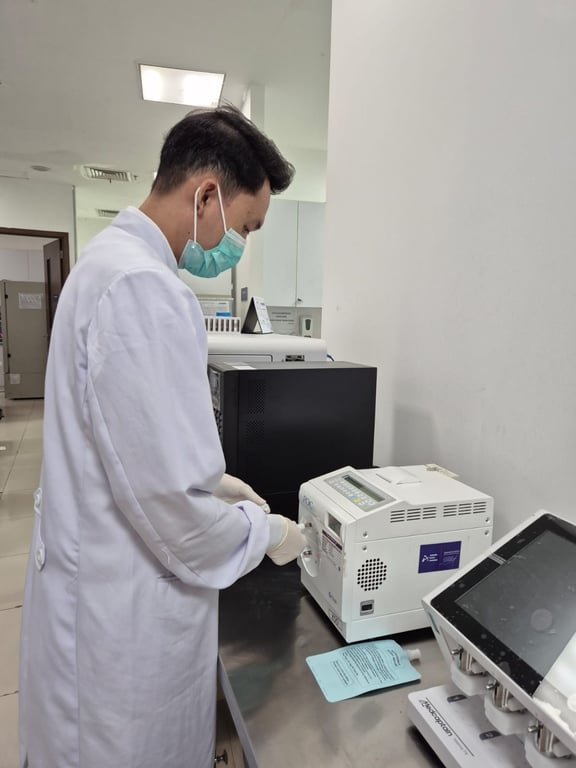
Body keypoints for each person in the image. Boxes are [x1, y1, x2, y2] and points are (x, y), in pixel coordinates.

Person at [19, 105, 307, 768]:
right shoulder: (144, 289)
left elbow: (117, 446)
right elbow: (175, 512)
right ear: (206, 196)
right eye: (245, 227)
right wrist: (266, 532)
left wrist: (213, 482)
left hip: (92, 590)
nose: (239, 246)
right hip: (119, 627)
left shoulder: (105, 265)